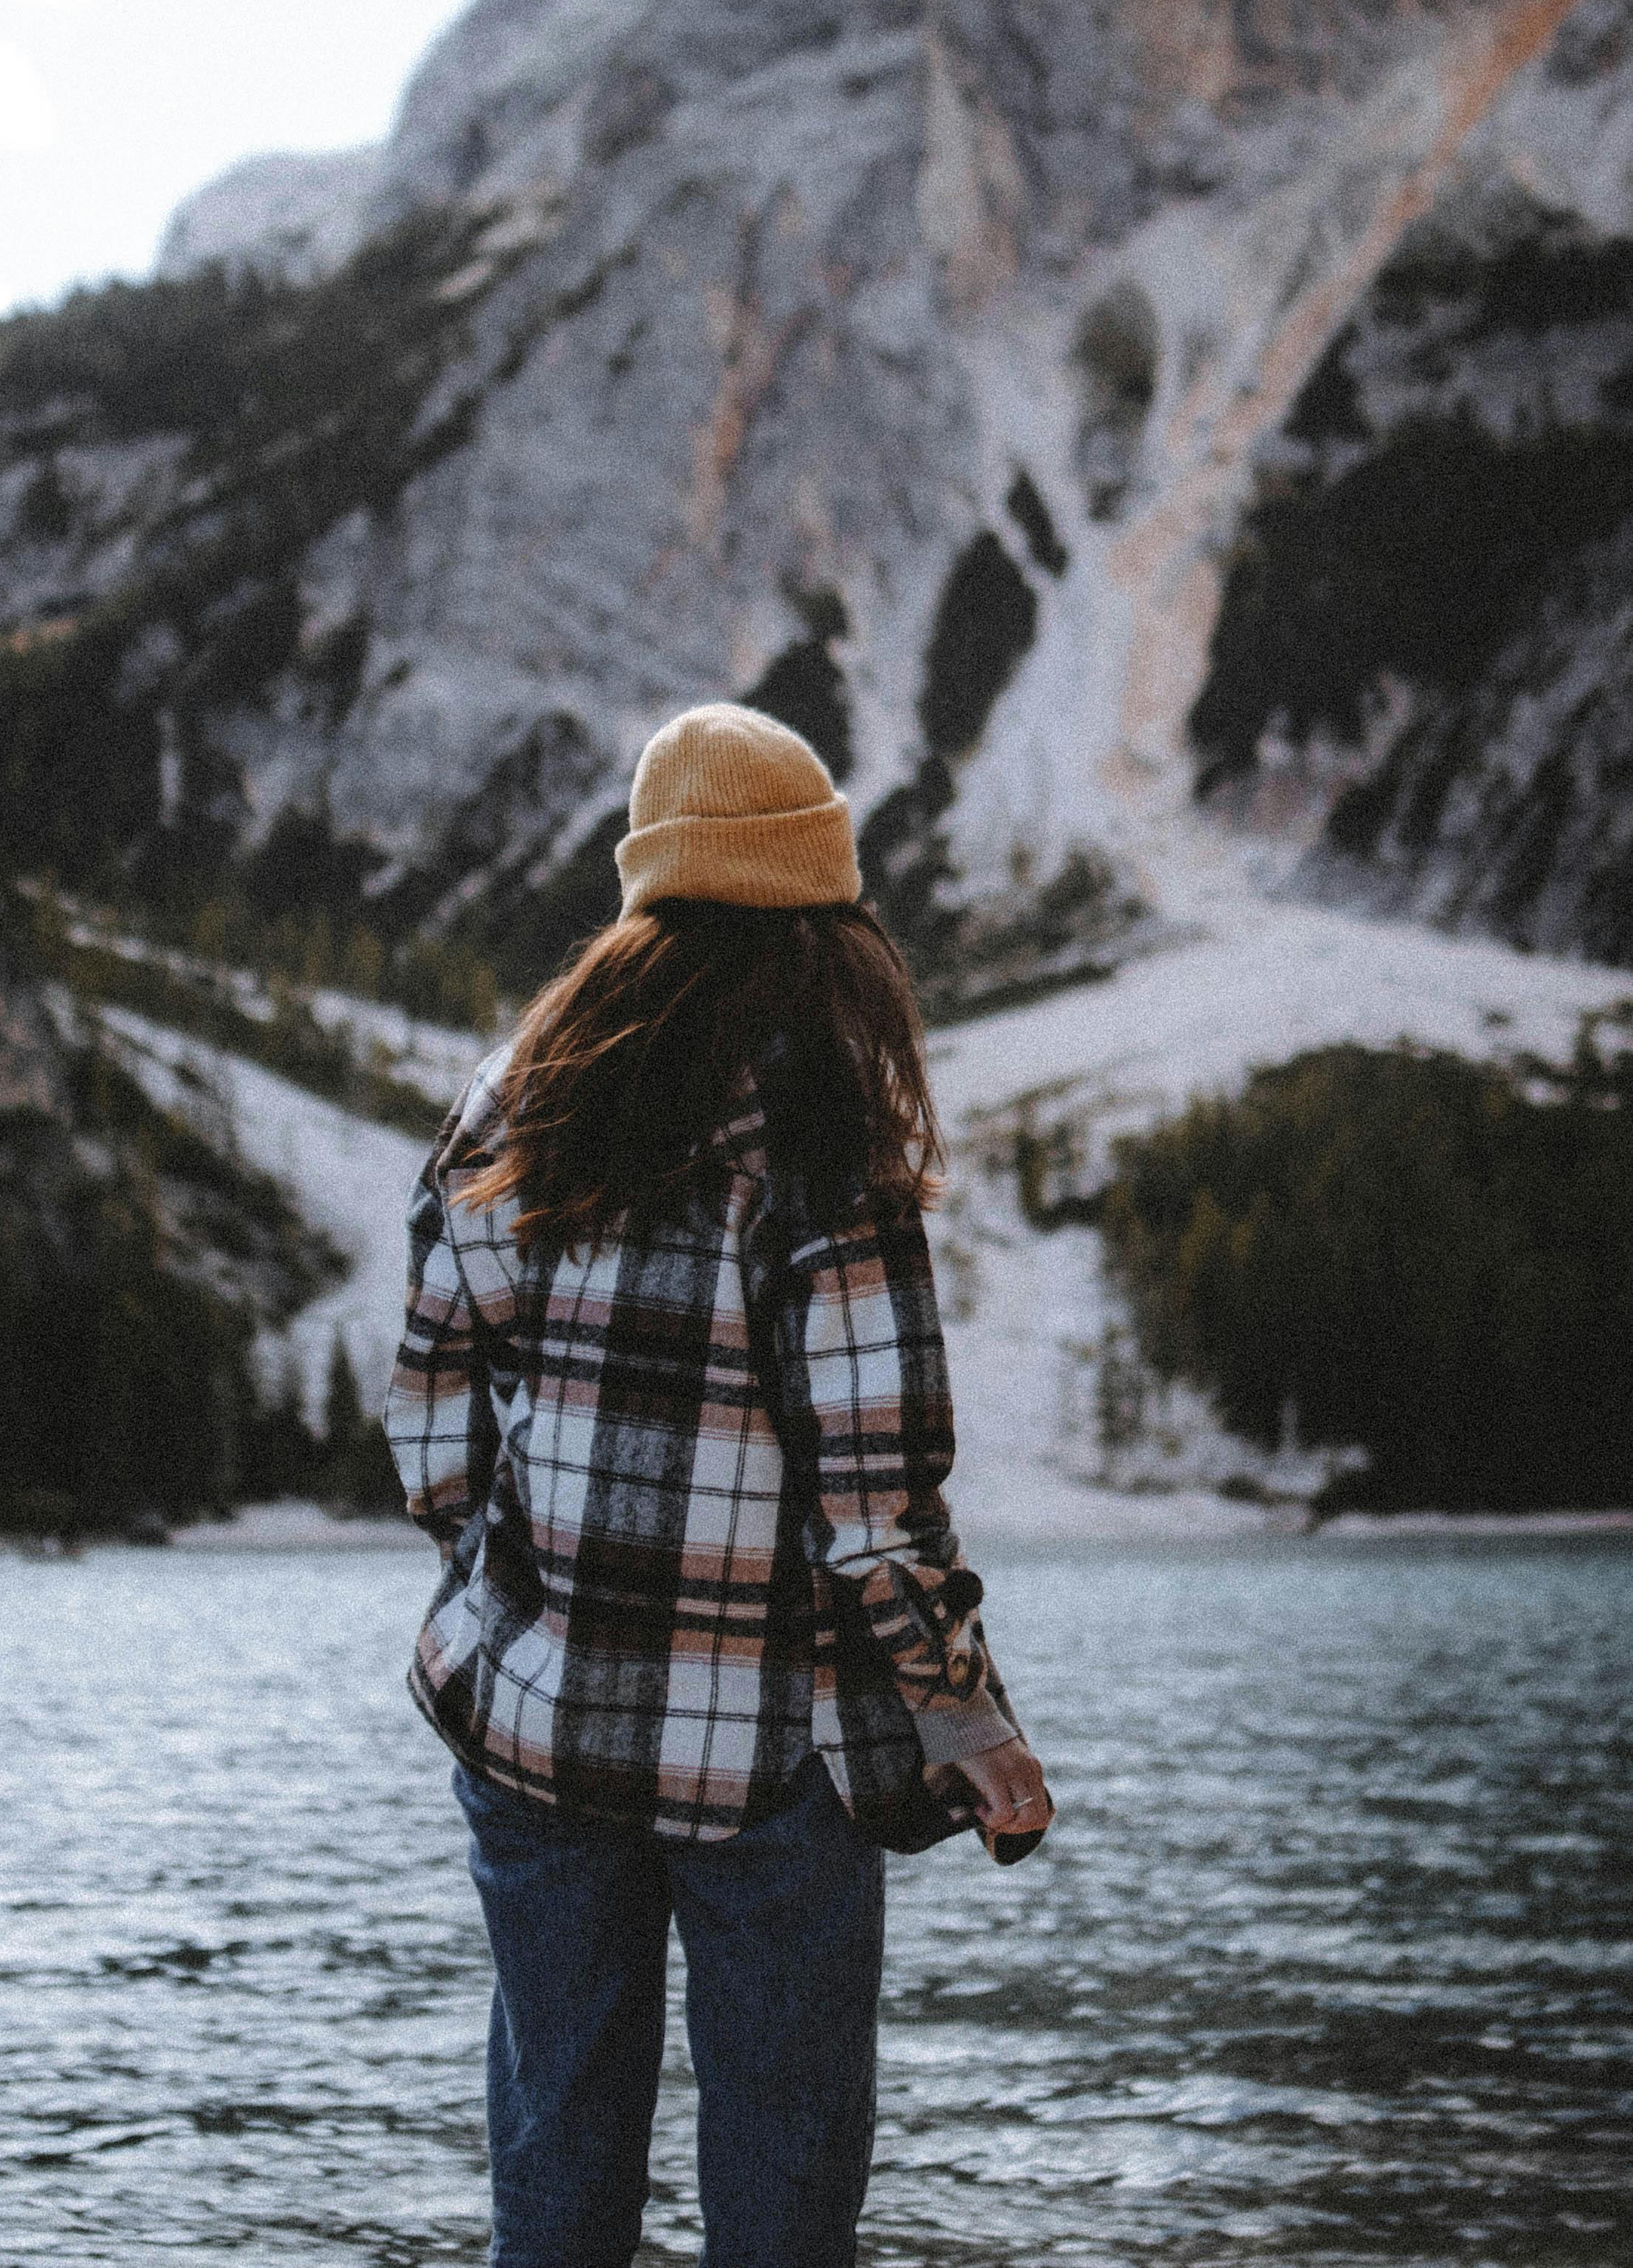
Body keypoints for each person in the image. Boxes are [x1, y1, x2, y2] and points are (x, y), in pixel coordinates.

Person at [385, 701, 1051, 2268]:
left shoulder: (510, 1100)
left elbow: (431, 1419)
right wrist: (976, 1735)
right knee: (781, 2186)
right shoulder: (825, 1141)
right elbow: (878, 1512)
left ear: (650, 894)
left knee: (555, 2164)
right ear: (817, 917)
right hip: (765, 1764)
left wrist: (518, 1594)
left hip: (532, 1726)